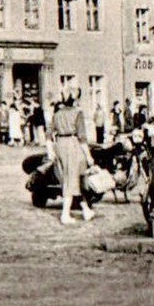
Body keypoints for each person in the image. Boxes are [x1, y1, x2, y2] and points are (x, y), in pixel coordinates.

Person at [49, 94, 94, 225]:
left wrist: (50, 150)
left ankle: (86, 210)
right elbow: (82, 136)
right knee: (73, 179)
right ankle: (65, 214)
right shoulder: (78, 113)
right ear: (75, 100)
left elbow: (48, 133)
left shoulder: (57, 114)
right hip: (73, 145)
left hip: (60, 144)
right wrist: (88, 155)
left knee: (73, 179)